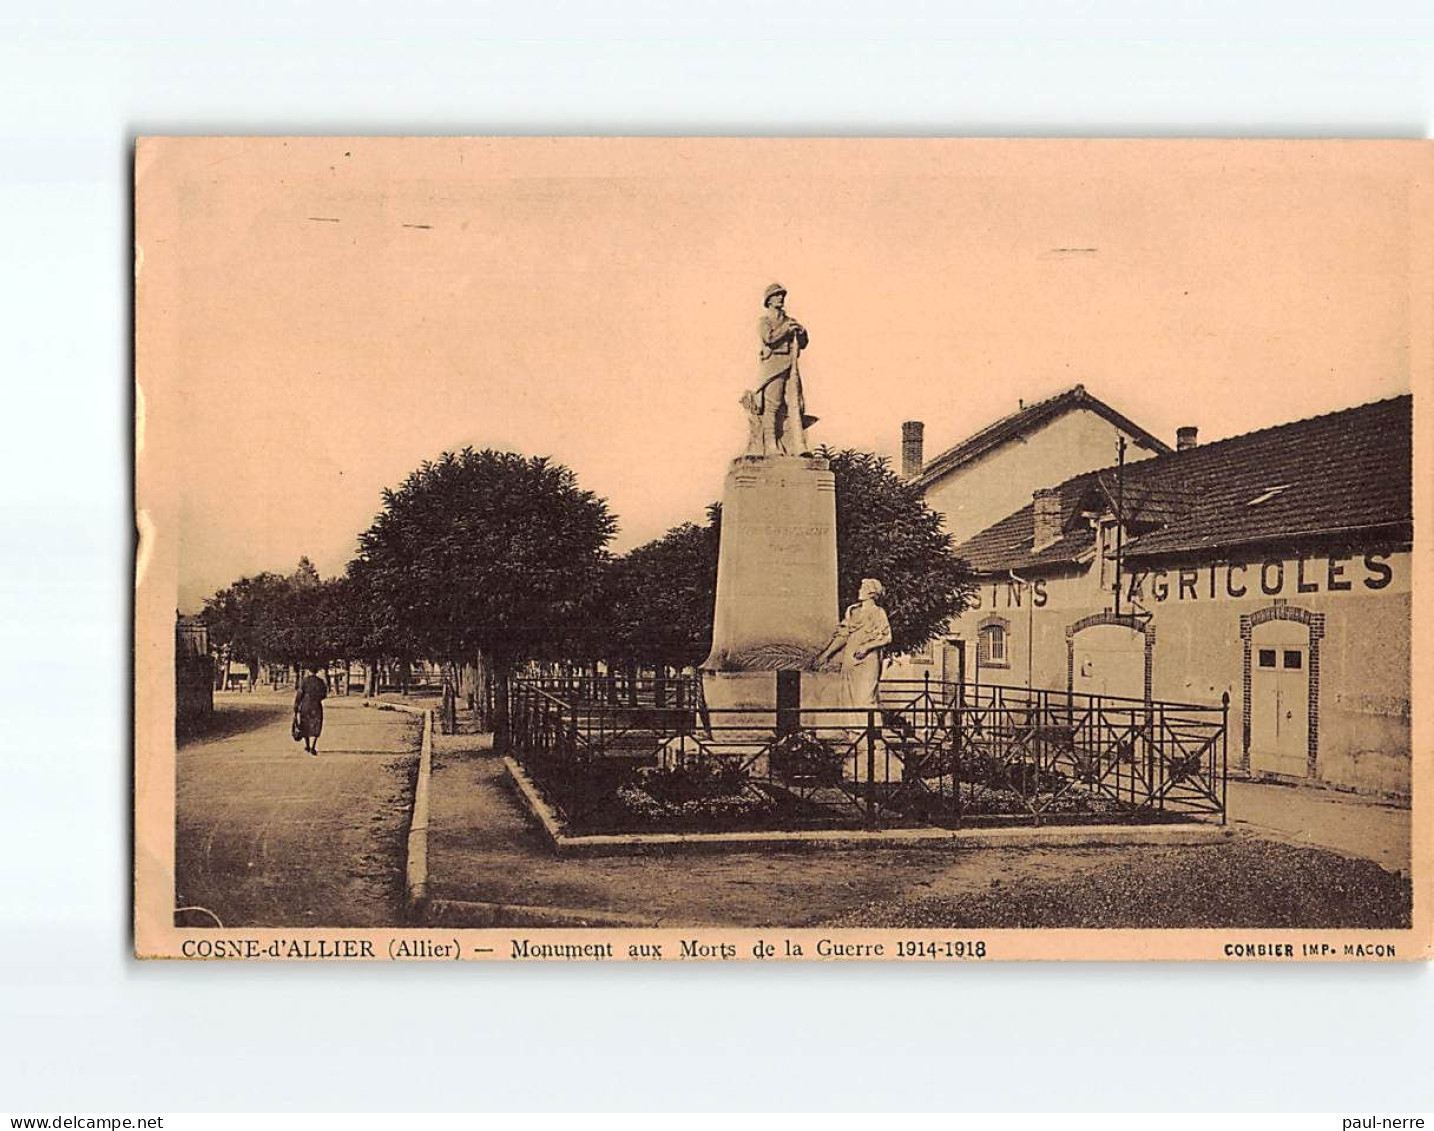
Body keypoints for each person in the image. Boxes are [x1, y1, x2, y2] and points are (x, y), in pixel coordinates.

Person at [812, 578, 893, 711]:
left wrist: (867, 647)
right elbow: (843, 635)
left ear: (871, 593)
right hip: (850, 659)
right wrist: (826, 655)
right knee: (849, 698)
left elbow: (887, 637)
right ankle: (851, 731)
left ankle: (864, 731)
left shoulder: (878, 612)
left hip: (868, 660)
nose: (859, 590)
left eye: (863, 588)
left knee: (865, 698)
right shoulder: (852, 611)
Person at [753, 283, 813, 456]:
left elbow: (804, 343)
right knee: (773, 405)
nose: (781, 298)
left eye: (782, 295)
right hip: (774, 365)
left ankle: (799, 446)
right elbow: (769, 338)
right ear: (769, 300)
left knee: (795, 405)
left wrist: (802, 332)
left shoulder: (789, 320)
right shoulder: (765, 321)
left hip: (791, 365)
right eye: (777, 295)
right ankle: (771, 445)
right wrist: (786, 329)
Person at [293, 664, 328, 756]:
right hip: (316, 705)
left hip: (306, 705)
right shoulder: (320, 682)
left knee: (305, 724)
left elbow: (299, 694)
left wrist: (296, 706)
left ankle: (307, 746)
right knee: (316, 725)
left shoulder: (304, 681)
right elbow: (324, 694)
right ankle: (313, 747)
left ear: (309, 671)